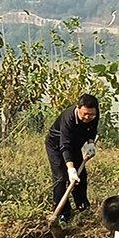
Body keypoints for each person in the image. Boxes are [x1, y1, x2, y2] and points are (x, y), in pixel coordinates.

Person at [45, 94, 100, 223]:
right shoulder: (68, 119)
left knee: (81, 177)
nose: (88, 117)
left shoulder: (94, 114)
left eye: (91, 115)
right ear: (78, 108)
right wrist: (71, 169)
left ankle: (83, 207)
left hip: (75, 145)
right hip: (56, 145)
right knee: (61, 177)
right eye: (85, 114)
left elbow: (92, 129)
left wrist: (90, 143)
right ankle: (63, 214)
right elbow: (65, 146)